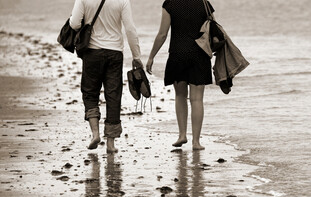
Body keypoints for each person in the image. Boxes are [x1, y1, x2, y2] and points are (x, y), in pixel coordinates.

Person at [70, 0, 143, 153]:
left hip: (92, 52)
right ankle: (110, 143)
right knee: (113, 95)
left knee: (90, 93)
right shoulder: (122, 0)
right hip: (114, 53)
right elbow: (130, 29)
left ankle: (95, 134)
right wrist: (136, 56)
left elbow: (75, 24)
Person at [146, 0, 214, 150]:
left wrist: (151, 56)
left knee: (180, 96)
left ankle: (182, 135)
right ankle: (196, 142)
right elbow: (213, 29)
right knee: (197, 99)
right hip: (199, 55)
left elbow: (162, 34)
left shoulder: (170, 3)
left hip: (178, 54)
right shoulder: (204, 3)